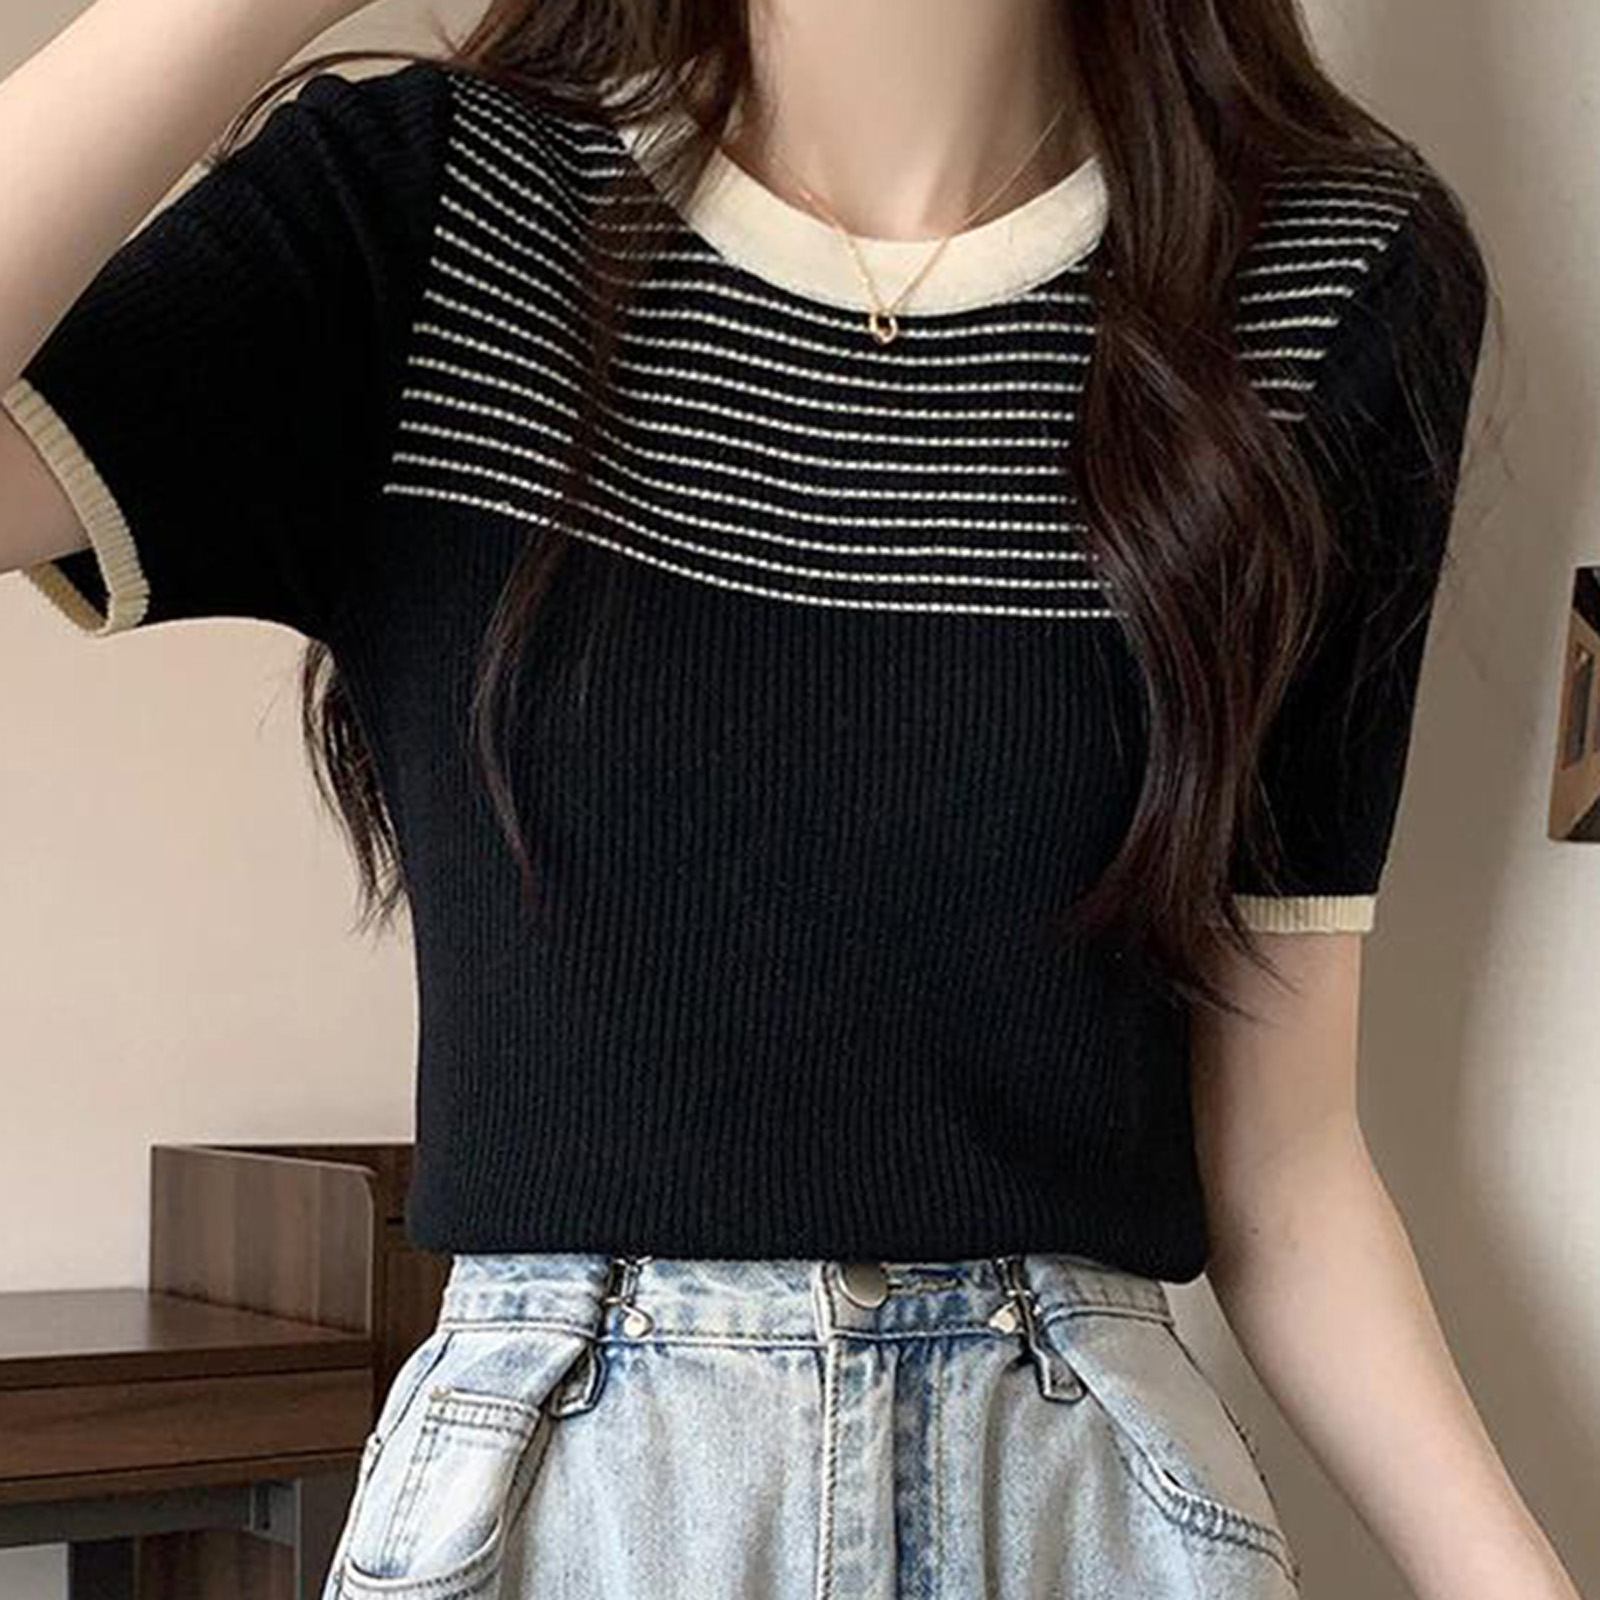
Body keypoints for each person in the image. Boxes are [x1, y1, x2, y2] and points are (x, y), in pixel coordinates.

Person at [0, 1, 1578, 1597]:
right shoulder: (436, 208)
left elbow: (1284, 1167)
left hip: (1079, 1511)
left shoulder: (1323, 279)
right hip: (564, 1517)